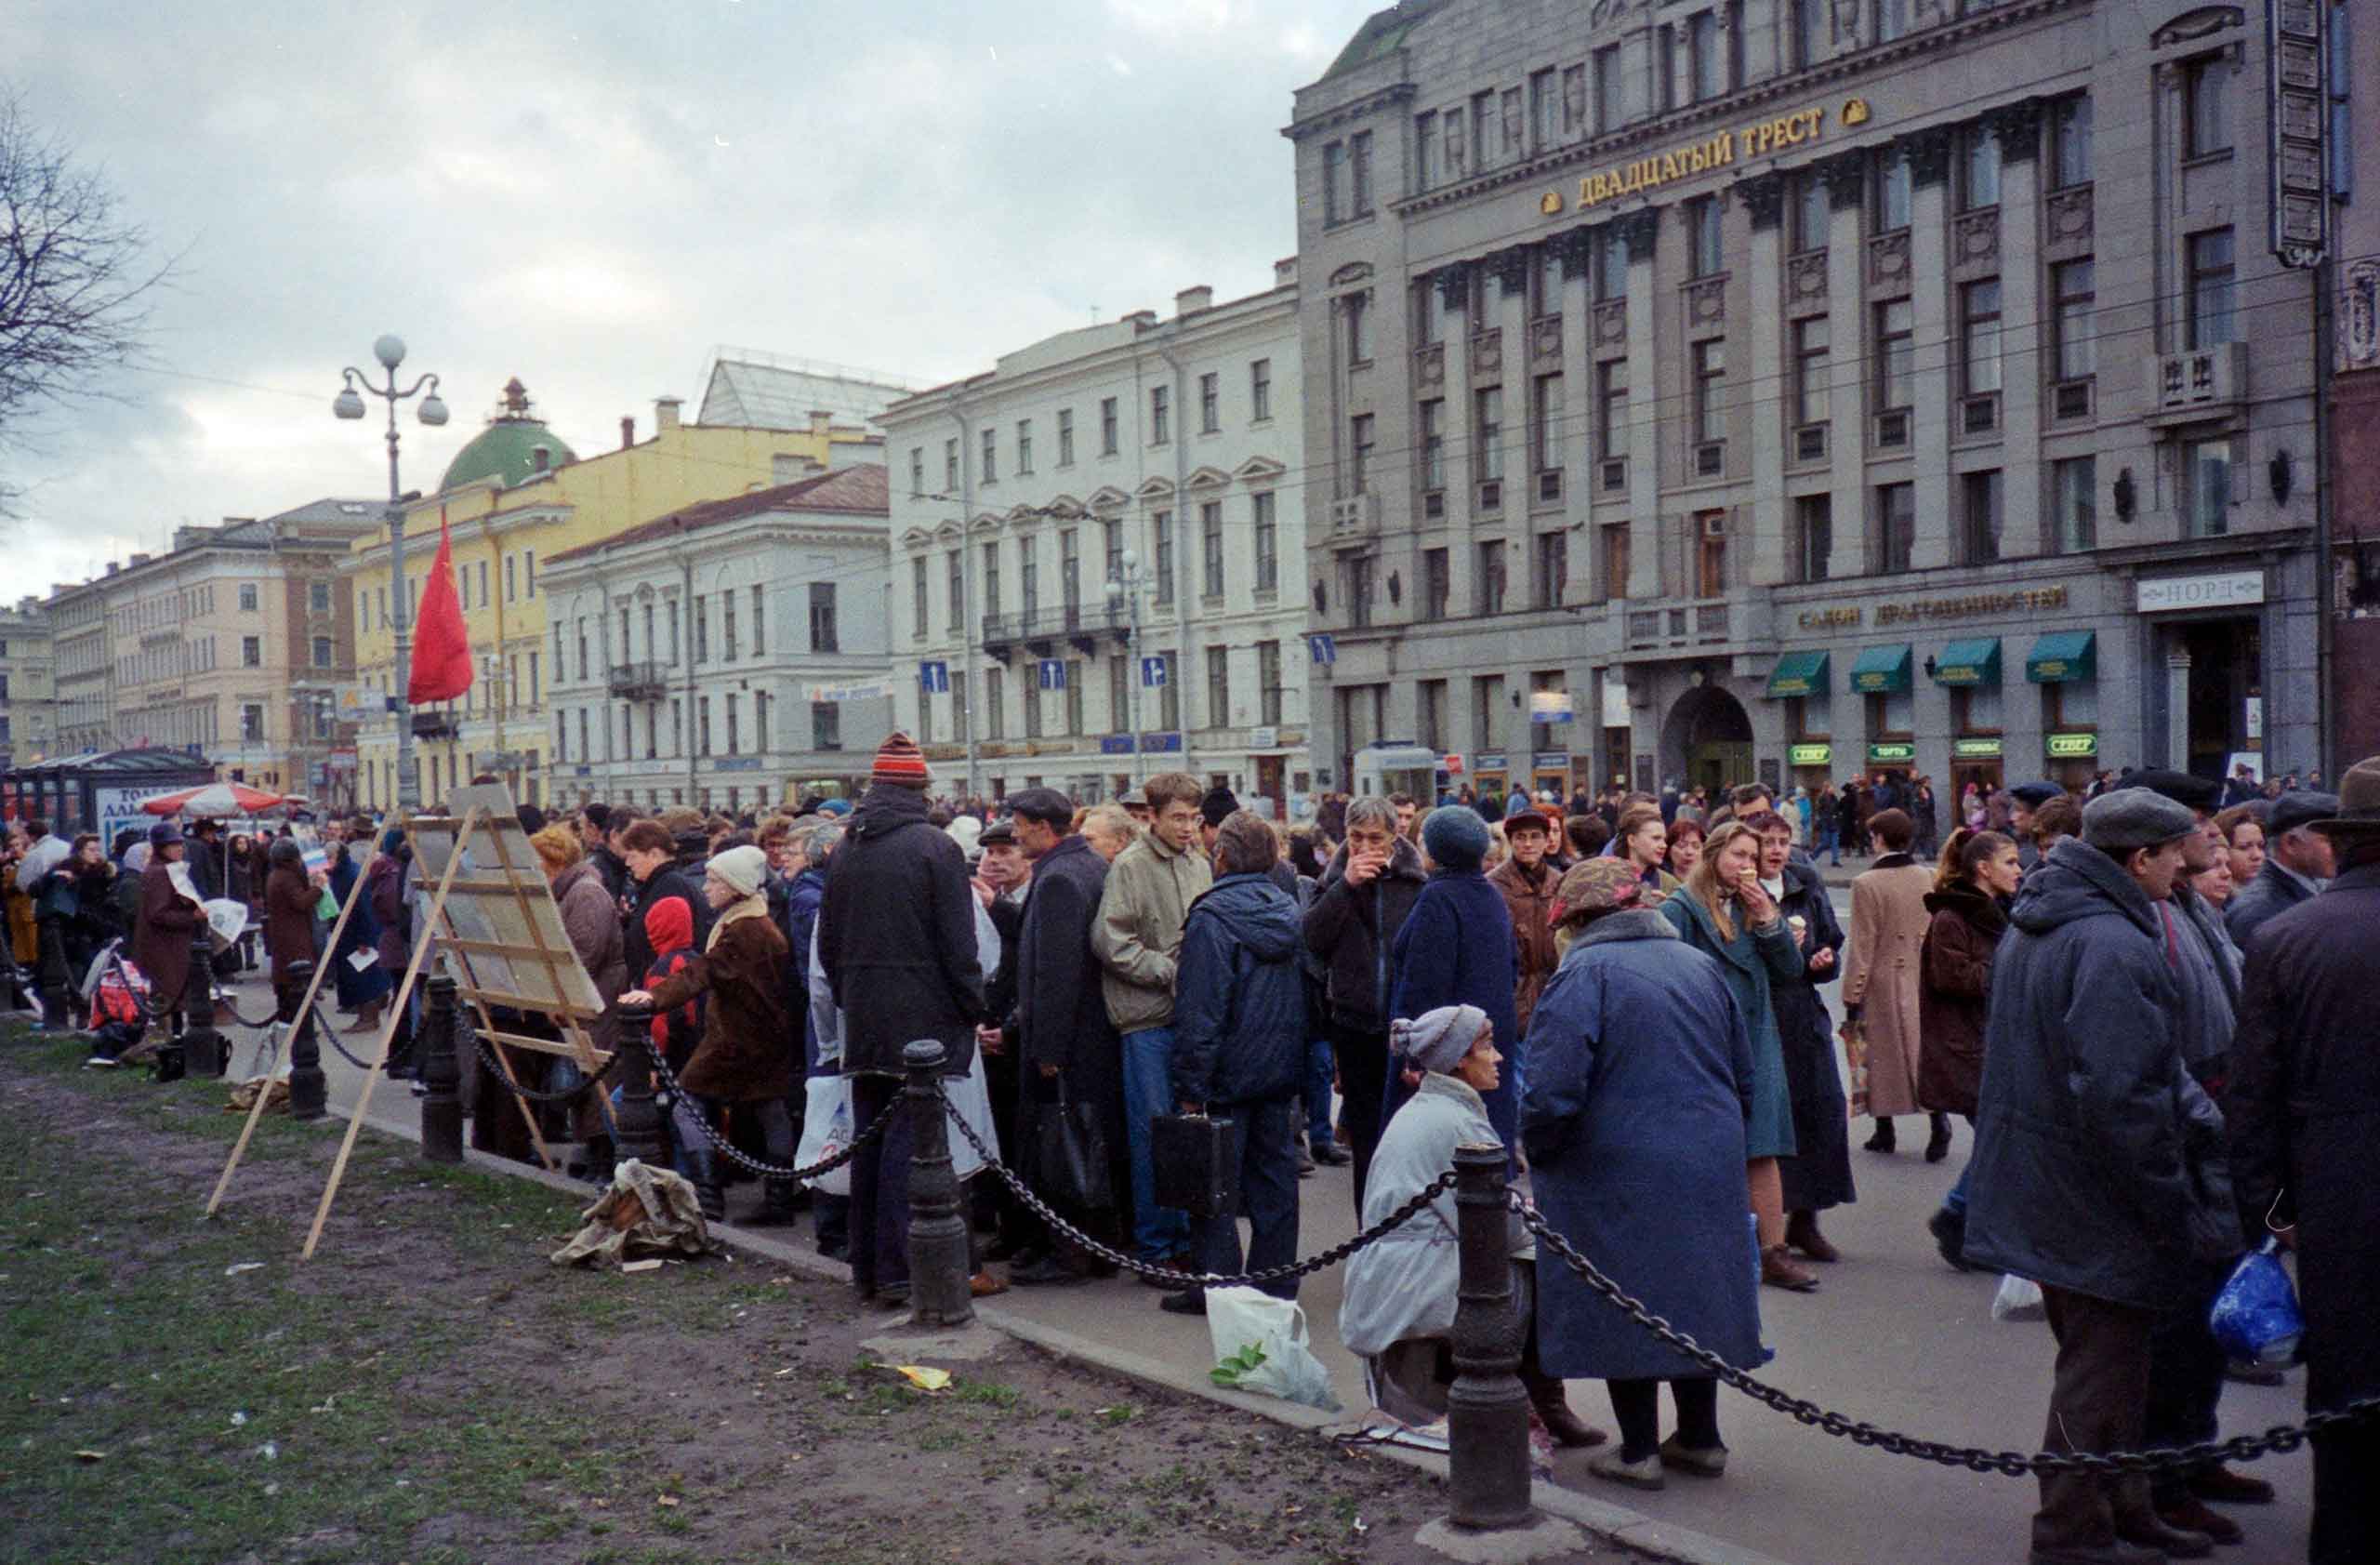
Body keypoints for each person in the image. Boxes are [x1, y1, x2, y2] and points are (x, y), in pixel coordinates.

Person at [1963, 789, 2239, 1565]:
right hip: (2097, 1190)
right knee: (2100, 1369)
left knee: (2116, 1365)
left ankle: (2125, 1505)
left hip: (2054, 1178)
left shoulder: (2053, 917)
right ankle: (2070, 1532)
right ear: (2137, 858)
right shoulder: (2111, 941)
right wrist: (2169, 1202)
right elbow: (2126, 1095)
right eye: (2176, 853)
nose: (2188, 866)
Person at [1525, 856, 1765, 1490]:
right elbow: (1744, 1072)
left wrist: (1541, 1151)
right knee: (1695, 1293)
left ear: (1576, 919)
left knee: (1622, 1296)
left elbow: (1552, 1091)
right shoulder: (1697, 963)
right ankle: (1701, 1436)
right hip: (1707, 1153)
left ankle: (1637, 1450)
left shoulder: (1584, 972)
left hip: (1616, 1162)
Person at [2228, 756, 2380, 1565]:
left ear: (2344, 842)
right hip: (2333, 1177)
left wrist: (2270, 1208)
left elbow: (2251, 1092)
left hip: (2336, 1193)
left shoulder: (2286, 938)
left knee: (2347, 1383)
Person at [1340, 1001, 1602, 1446]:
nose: (1499, 1057)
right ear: (1460, 1058)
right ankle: (1543, 1400)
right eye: (1488, 1046)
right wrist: (1536, 1216)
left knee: (1536, 1248)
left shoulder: (1431, 1108)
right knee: (1542, 1264)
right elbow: (1492, 1230)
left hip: (1398, 1275)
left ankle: (1544, 1400)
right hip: (1416, 1282)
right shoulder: (1455, 1120)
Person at [818, 734, 985, 1305]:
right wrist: (972, 1007)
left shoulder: (846, 850)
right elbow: (960, 948)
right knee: (913, 1145)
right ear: (921, 790)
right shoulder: (936, 849)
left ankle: (868, 1267)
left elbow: (828, 946)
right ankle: (901, 1270)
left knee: (870, 1139)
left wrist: (851, 997)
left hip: (863, 1016)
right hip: (924, 1020)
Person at [1659, 820, 1813, 1292]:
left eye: (1752, 856)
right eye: (1738, 855)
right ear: (1713, 855)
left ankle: (1774, 1250)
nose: (1748, 865)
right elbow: (1667, 973)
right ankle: (1710, 1247)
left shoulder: (1755, 906)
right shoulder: (1680, 908)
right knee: (1710, 1146)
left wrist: (1769, 920)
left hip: (1756, 1035)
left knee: (1762, 1146)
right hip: (1705, 1039)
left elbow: (1790, 970)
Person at [1162, 811, 1306, 1316]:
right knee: (1275, 1182)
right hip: (1278, 1069)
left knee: (1214, 1185)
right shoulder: (1288, 910)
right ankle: (1275, 1284)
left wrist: (1190, 1082)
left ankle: (1221, 1290)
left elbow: (1201, 1008)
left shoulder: (1213, 916)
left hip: (1226, 1073)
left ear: (1220, 856)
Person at [620, 845, 797, 1226]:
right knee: (770, 1112)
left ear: (735, 886)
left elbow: (701, 972)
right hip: (760, 1037)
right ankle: (776, 1201)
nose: (706, 888)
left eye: (715, 881)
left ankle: (710, 1198)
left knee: (687, 1104)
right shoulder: (752, 922)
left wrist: (653, 996)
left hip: (737, 1040)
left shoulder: (745, 930)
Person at [1004, 789, 1128, 1284]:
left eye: (1018, 824)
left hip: (1071, 1042)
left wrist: (1048, 1048)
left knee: (1065, 1146)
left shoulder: (1059, 877)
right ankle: (1094, 1247)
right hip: (1093, 1036)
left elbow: (1058, 973)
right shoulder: (1088, 865)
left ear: (1042, 826)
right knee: (1089, 1143)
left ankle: (1070, 1253)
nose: (1013, 834)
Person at [1090, 771, 1210, 1272]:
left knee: (1186, 1134)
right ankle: (1157, 1247)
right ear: (1153, 817)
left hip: (1187, 1017)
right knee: (1154, 1135)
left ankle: (1184, 1237)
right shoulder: (1132, 866)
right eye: (1177, 818)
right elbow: (1109, 940)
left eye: (1194, 818)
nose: (1187, 828)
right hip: (1146, 1020)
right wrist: (1169, 971)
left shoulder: (1197, 862)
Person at [1303, 796, 1427, 1210]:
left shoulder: (1416, 881)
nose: (1364, 847)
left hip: (1404, 1024)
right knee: (1367, 1139)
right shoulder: (1334, 878)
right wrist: (1346, 886)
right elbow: (1312, 939)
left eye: (1376, 838)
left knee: (1406, 1135)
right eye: (1356, 838)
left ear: (1395, 838)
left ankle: (1406, 1231)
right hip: (1353, 1022)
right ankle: (1368, 1232)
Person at [1389, 807, 1522, 1165]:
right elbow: (1512, 967)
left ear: (1436, 852)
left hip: (1449, 1053)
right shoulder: (1490, 895)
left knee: (1438, 1162)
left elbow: (1425, 982)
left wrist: (1414, 1054)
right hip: (1483, 1043)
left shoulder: (1439, 898)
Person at [1750, 810, 1853, 1265]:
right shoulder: (1741, 889)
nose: (1775, 850)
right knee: (1771, 1122)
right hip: (1762, 1013)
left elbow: (1830, 941)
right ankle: (1765, 1224)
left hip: (1803, 1013)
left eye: (1782, 841)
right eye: (1766, 841)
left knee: (1820, 1111)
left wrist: (1821, 958)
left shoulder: (1803, 882)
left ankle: (1807, 1220)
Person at [1916, 828, 2018, 1271]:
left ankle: (1967, 1222)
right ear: (1983, 868)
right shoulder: (1952, 917)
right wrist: (2010, 971)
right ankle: (1959, 1217)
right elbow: (1950, 976)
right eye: (2010, 862)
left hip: (1989, 1040)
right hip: (1967, 1046)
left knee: (2002, 1139)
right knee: (2002, 1138)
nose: (2019, 869)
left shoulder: (1997, 910)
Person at [1840, 808, 1950, 1159]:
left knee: (1875, 1053)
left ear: (1880, 839)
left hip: (1882, 980)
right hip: (1921, 976)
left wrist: (1852, 991)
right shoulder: (1928, 876)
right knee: (1923, 1052)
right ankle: (1938, 1122)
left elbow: (1862, 943)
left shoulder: (1866, 884)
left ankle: (1884, 1129)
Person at [530, 826, 628, 1191]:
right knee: (587, 1078)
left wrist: (564, 997)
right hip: (586, 997)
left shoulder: (584, 893)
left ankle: (604, 1158)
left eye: (538, 859)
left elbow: (585, 952)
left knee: (596, 1077)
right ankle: (593, 1154)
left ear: (554, 860)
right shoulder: (571, 891)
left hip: (596, 999)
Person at [2225, 789, 2338, 949]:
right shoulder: (2261, 912)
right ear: (2290, 844)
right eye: (2328, 841)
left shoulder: (2297, 892)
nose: (2339, 848)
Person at [1488, 807, 1561, 1038]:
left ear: (1546, 840)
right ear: (1511, 841)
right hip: (1512, 997)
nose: (1528, 844)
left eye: (1535, 836)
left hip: (1556, 994)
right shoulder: (1493, 886)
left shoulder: (1560, 882)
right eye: (1521, 837)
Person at [133, 822, 206, 1035]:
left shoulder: (168, 869)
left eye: (180, 844)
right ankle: (169, 1043)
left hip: (170, 945)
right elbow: (157, 914)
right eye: (173, 845)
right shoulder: (159, 872)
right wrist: (191, 916)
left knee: (173, 999)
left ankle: (172, 1038)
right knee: (168, 998)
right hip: (163, 946)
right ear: (161, 848)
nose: (179, 849)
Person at [1663, 816, 1704, 880]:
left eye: (1696, 846)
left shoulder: (1712, 884)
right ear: (1668, 850)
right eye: (1681, 846)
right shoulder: (1660, 882)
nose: (1689, 852)